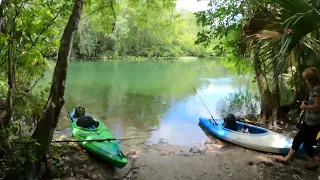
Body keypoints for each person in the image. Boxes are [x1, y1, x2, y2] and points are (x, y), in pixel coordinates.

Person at [275, 67, 320, 170]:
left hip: (313, 122)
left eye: (306, 80)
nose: (305, 82)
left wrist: (305, 107)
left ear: (311, 80)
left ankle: (315, 162)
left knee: (306, 145)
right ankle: (287, 158)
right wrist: (307, 103)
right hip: (309, 120)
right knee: (299, 138)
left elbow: (318, 106)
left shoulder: (317, 89)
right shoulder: (315, 88)